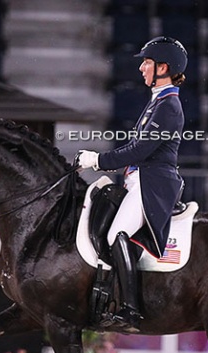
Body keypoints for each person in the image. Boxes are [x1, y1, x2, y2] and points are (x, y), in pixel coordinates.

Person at [75, 36, 188, 331]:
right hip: (139, 180)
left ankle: (130, 310)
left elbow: (140, 150)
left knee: (117, 234)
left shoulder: (169, 106)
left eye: (147, 63)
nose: (142, 68)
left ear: (163, 67)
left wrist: (97, 161)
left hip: (153, 184)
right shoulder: (158, 102)